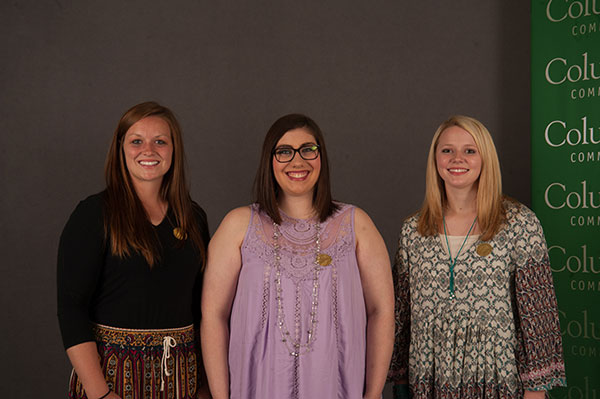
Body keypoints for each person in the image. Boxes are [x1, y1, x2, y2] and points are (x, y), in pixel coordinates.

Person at [201, 114, 394, 399]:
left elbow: (382, 311)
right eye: (284, 152)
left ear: (321, 157)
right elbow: (213, 316)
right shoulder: (239, 225)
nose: (297, 161)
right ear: (270, 160)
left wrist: (374, 392)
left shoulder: (356, 224)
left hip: (337, 388)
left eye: (308, 149)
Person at [388, 115, 567, 399]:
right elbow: (400, 314)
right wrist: (398, 379)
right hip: (428, 377)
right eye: (447, 150)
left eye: (469, 151)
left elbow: (538, 313)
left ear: (485, 159)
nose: (457, 158)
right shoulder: (413, 230)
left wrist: (536, 390)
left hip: (496, 379)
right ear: (435, 159)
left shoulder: (518, 223)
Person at [57, 102, 210, 399]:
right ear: (120, 149)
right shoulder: (94, 214)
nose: (148, 150)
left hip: (180, 378)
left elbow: (202, 308)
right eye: (137, 141)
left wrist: (202, 386)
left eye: (160, 141)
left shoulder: (193, 217)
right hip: (111, 378)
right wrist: (100, 394)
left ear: (174, 149)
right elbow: (71, 309)